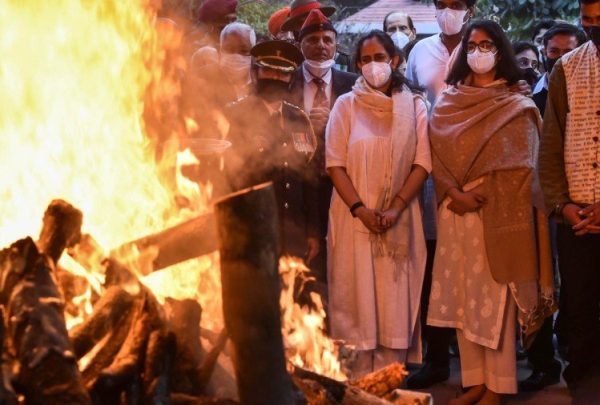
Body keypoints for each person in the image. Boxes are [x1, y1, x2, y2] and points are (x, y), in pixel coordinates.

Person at [428, 19, 555, 405]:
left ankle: (498, 386)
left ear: (500, 51)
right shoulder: (449, 101)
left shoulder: (517, 105)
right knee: (465, 301)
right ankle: (475, 383)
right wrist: (453, 192)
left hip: (495, 216)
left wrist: (476, 192)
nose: (478, 51)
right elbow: (437, 155)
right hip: (455, 213)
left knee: (494, 300)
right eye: (472, 44)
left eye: (487, 44)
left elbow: (523, 166)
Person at [326, 30, 430, 378]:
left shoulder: (414, 105)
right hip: (353, 218)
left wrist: (395, 208)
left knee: (393, 305)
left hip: (399, 220)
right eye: (366, 59)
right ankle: (356, 389)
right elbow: (334, 163)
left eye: (380, 58)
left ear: (395, 60)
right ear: (357, 64)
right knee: (356, 304)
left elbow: (422, 163)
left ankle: (389, 387)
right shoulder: (345, 105)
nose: (373, 65)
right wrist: (360, 210)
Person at [404, 0, 477, 389]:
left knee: (473, 269)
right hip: (431, 173)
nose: (449, 10)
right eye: (442, 3)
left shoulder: (482, 47)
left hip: (474, 173)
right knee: (434, 267)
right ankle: (435, 360)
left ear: (471, 8)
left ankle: (478, 368)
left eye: (457, 3)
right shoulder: (420, 51)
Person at [519, 22, 587, 393]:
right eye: (552, 52)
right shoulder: (546, 84)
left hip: (581, 205)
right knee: (559, 291)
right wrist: (559, 203)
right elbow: (543, 148)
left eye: (566, 50)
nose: (557, 58)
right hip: (553, 208)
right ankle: (561, 371)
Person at [538, 0, 600, 398]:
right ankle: (584, 381)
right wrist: (562, 204)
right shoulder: (568, 67)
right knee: (578, 304)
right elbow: (551, 143)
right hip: (577, 215)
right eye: (588, 20)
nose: (595, 27)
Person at [225, 40, 320, 260]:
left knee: (293, 293)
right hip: (251, 229)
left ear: (290, 79)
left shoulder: (299, 118)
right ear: (256, 73)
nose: (275, 78)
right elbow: (227, 179)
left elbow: (309, 179)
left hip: (293, 230)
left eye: (282, 74)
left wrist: (312, 231)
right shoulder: (236, 116)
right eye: (268, 71)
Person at [288, 9, 358, 282]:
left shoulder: (353, 85)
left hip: (342, 184)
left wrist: (333, 126)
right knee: (305, 263)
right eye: (313, 39)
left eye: (327, 40)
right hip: (299, 186)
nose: (321, 46)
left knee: (342, 261)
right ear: (300, 44)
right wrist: (307, 128)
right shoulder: (287, 81)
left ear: (336, 45)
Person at [533, 23, 587, 116]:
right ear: (544, 52)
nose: (561, 58)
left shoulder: (593, 92)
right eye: (554, 51)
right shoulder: (529, 94)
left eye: (569, 52)